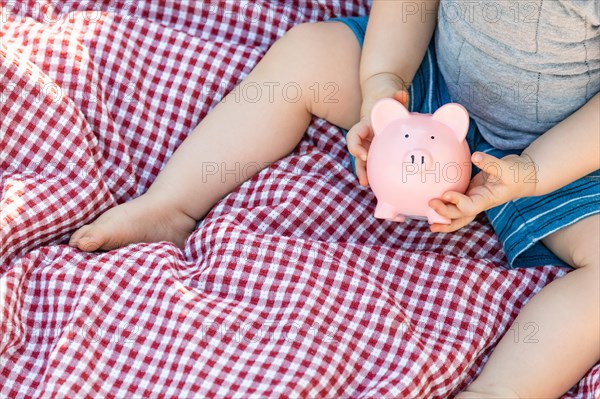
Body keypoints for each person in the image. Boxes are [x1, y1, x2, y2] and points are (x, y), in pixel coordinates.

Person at [69, 1, 599, 397]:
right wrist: (380, 84)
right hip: (432, 87)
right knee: (308, 54)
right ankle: (173, 204)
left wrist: (531, 174)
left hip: (562, 158)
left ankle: (499, 390)